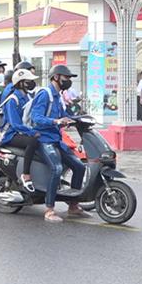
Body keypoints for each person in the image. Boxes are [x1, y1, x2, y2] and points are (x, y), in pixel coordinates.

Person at [30, 64, 87, 223]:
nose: (68, 81)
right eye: (66, 77)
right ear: (56, 77)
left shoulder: (58, 96)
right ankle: (49, 210)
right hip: (43, 139)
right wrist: (56, 121)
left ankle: (73, 206)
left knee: (79, 166)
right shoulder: (45, 94)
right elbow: (36, 117)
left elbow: (64, 115)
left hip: (56, 139)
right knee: (56, 168)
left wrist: (79, 118)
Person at [0, 68, 41, 193]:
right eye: (28, 81)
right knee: (32, 142)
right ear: (21, 83)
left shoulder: (27, 97)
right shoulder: (13, 100)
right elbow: (16, 124)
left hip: (21, 132)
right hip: (10, 134)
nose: (31, 83)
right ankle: (26, 174)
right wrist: (32, 132)